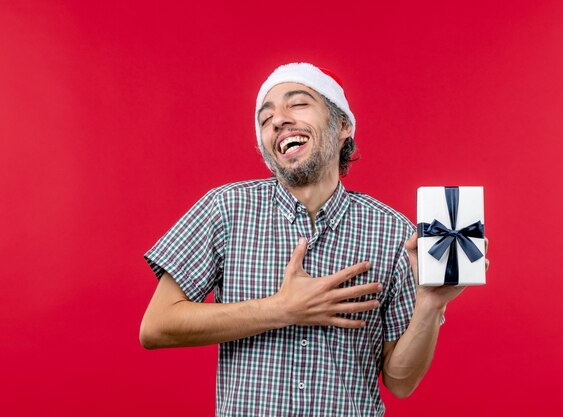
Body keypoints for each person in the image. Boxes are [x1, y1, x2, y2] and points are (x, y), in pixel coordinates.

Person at [140, 62, 488, 416]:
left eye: (298, 103)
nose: (278, 120)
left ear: (343, 126)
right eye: (265, 118)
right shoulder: (225, 210)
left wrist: (431, 304)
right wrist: (283, 309)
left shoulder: (394, 233)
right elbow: (156, 327)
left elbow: (401, 381)